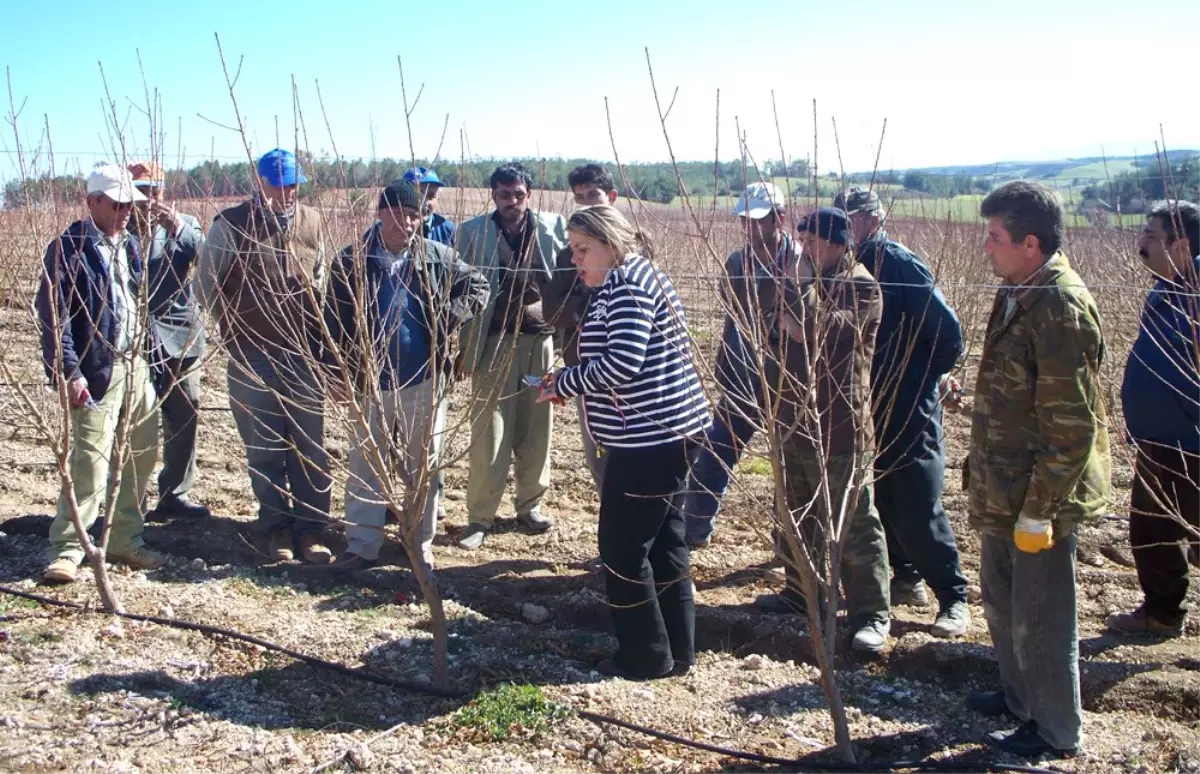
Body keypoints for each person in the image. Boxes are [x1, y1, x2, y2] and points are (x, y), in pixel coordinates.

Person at [963, 181, 1109, 759]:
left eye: (994, 237)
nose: (985, 247)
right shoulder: (1016, 288)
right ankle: (1019, 698)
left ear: (1029, 242)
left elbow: (1071, 429)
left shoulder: (1060, 306)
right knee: (1003, 601)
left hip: (1039, 496)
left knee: (1043, 617)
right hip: (1004, 486)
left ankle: (1053, 730)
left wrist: (1039, 508)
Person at [539, 205, 710, 679]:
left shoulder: (630, 285)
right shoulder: (630, 276)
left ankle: (644, 658)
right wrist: (571, 381)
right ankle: (678, 650)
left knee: (622, 549)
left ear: (610, 245)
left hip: (650, 437)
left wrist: (565, 383)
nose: (575, 259)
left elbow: (622, 363)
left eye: (582, 249)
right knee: (664, 543)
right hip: (666, 429)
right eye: (573, 249)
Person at [325, 180, 489, 571]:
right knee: (366, 464)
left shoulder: (437, 255)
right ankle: (362, 545)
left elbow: (479, 285)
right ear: (381, 214)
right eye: (401, 214)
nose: (410, 223)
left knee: (424, 465)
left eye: (417, 215)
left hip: (424, 379)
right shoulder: (351, 260)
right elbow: (332, 322)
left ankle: (419, 544)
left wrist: (449, 316)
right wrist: (335, 373)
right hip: (369, 381)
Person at [833, 186, 970, 639]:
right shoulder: (836, 268)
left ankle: (954, 597)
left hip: (907, 401)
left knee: (915, 497)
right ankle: (905, 577)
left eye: (851, 218)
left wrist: (918, 381)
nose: (845, 227)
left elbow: (948, 334)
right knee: (877, 497)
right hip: (863, 399)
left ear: (873, 219)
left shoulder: (898, 263)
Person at [755, 207, 892, 655]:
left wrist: (802, 300)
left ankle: (871, 613)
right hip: (793, 419)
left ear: (838, 242)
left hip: (839, 426)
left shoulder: (860, 284)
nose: (806, 248)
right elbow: (777, 333)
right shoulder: (800, 279)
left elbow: (827, 335)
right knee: (796, 514)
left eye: (814, 240)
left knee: (853, 523)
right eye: (804, 240)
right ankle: (802, 594)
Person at [197, 148, 334, 565]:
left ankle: (313, 529)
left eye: (295, 185)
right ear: (260, 184)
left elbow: (322, 281)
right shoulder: (231, 225)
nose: (289, 192)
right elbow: (204, 288)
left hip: (303, 354)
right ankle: (276, 529)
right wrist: (234, 327)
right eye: (281, 184)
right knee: (264, 447)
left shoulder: (312, 221)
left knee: (311, 445)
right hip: (251, 354)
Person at [36, 164, 168, 583]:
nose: (127, 210)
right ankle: (69, 548)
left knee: (141, 454)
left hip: (137, 364)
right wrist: (69, 372)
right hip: (96, 369)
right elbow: (54, 319)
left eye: (131, 203)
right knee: (89, 462)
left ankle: (124, 538)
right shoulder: (67, 249)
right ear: (92, 202)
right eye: (117, 203)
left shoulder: (130, 246)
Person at [454, 163, 568, 550]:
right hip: (495, 345)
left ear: (529, 195)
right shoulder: (472, 232)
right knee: (490, 432)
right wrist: (463, 348)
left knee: (539, 427)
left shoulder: (555, 227)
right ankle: (479, 518)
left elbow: (569, 283)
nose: (512, 201)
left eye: (518, 194)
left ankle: (530, 506)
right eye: (504, 194)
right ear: (493, 196)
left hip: (542, 344)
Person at [681, 181, 794, 548]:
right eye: (744, 219)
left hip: (786, 385)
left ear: (780, 218)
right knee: (714, 456)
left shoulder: (800, 264)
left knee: (791, 470)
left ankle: (789, 547)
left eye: (757, 219)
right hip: (741, 380)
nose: (749, 226)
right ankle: (693, 531)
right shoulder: (735, 262)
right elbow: (732, 319)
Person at [1107, 200, 1200, 638]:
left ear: (1181, 244)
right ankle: (1162, 613)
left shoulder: (1195, 294)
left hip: (1192, 441)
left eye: (1150, 236)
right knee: (1153, 531)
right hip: (1158, 440)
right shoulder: (1164, 288)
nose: (1141, 244)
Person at [127, 161, 210, 521]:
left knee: (184, 415)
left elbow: (208, 259)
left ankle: (175, 493)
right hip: (133, 340)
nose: (149, 199)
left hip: (180, 337)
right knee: (134, 419)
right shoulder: (118, 227)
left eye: (155, 191)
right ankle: (129, 499)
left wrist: (176, 227)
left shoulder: (185, 225)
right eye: (142, 191)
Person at [542, 163, 619, 491]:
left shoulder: (632, 249)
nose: (587, 203)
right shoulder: (567, 256)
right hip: (585, 370)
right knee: (600, 458)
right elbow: (554, 312)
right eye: (580, 197)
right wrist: (585, 302)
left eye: (594, 195)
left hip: (631, 377)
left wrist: (586, 305)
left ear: (612, 197)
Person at [402, 167, 457, 248]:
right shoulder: (388, 228)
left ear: (438, 197)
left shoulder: (449, 231)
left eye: (430, 196)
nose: (424, 202)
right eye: (418, 196)